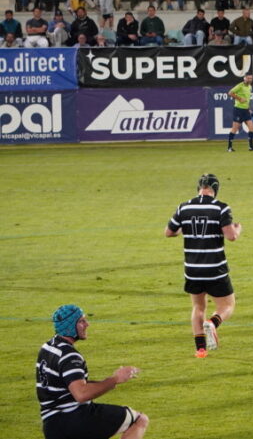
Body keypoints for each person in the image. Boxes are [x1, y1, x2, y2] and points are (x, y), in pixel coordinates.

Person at [37, 304, 148, 439]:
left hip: (51, 426)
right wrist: (115, 379)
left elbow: (66, 384)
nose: (87, 324)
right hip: (74, 419)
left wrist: (104, 382)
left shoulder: (47, 347)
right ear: (70, 326)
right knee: (139, 420)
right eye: (81, 321)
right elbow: (81, 394)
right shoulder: (70, 356)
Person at [165, 173, 242, 358]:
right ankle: (213, 323)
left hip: (192, 269)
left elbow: (169, 232)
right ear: (215, 189)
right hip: (215, 268)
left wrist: (183, 229)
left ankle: (200, 350)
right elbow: (231, 236)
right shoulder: (221, 208)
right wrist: (238, 229)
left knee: (198, 307)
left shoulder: (184, 207)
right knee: (227, 305)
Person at [226, 72, 253, 152]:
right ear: (244, 78)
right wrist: (239, 98)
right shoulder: (240, 86)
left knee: (252, 127)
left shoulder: (250, 87)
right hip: (238, 110)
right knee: (235, 129)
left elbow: (247, 99)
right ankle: (229, 147)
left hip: (246, 110)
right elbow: (230, 93)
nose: (250, 80)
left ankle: (251, 147)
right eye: (248, 78)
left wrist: (248, 108)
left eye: (251, 78)